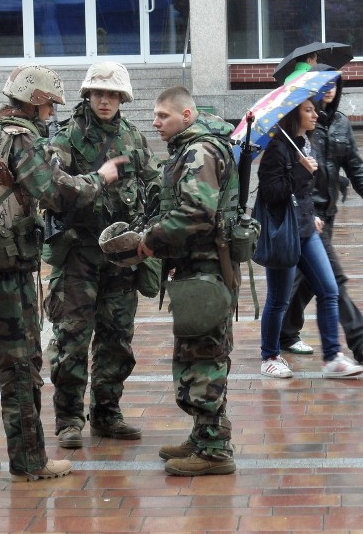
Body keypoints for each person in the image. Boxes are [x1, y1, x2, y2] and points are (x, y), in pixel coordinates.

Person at [0, 64, 128, 482]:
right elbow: (55, 192)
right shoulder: (18, 137)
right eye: (49, 108)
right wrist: (98, 179)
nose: (51, 116)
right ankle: (30, 461)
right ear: (38, 102)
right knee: (20, 363)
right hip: (5, 270)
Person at [43, 61, 161, 449]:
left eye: (112, 95)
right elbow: (53, 190)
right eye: (99, 93)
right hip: (78, 254)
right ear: (88, 95)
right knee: (72, 338)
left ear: (122, 98)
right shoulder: (67, 137)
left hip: (120, 258)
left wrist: (155, 225)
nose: (105, 101)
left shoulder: (132, 137)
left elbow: (154, 181)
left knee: (117, 338)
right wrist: (96, 182)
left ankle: (108, 412)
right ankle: (69, 419)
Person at [137, 86, 239, 477]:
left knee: (205, 358)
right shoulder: (193, 149)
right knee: (198, 354)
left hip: (206, 269)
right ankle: (204, 434)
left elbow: (197, 212)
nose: (155, 122)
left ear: (188, 115)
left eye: (163, 115)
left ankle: (214, 451)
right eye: (156, 115)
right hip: (198, 270)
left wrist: (150, 240)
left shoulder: (199, 151)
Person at [279, 66, 363, 364]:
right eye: (324, 84)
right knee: (332, 278)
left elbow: (355, 165)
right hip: (306, 215)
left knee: (309, 278)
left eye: (335, 84)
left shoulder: (341, 123)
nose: (330, 89)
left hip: (328, 212)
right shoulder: (298, 124)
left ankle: (283, 331)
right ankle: (360, 339)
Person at [257, 98, 363, 379]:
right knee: (279, 300)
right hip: (284, 235)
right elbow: (271, 193)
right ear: (294, 115)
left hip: (306, 229)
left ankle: (332, 358)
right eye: (308, 110)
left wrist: (313, 213)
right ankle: (269, 356)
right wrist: (299, 170)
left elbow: (303, 193)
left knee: (328, 290)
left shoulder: (305, 143)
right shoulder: (277, 150)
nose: (315, 114)